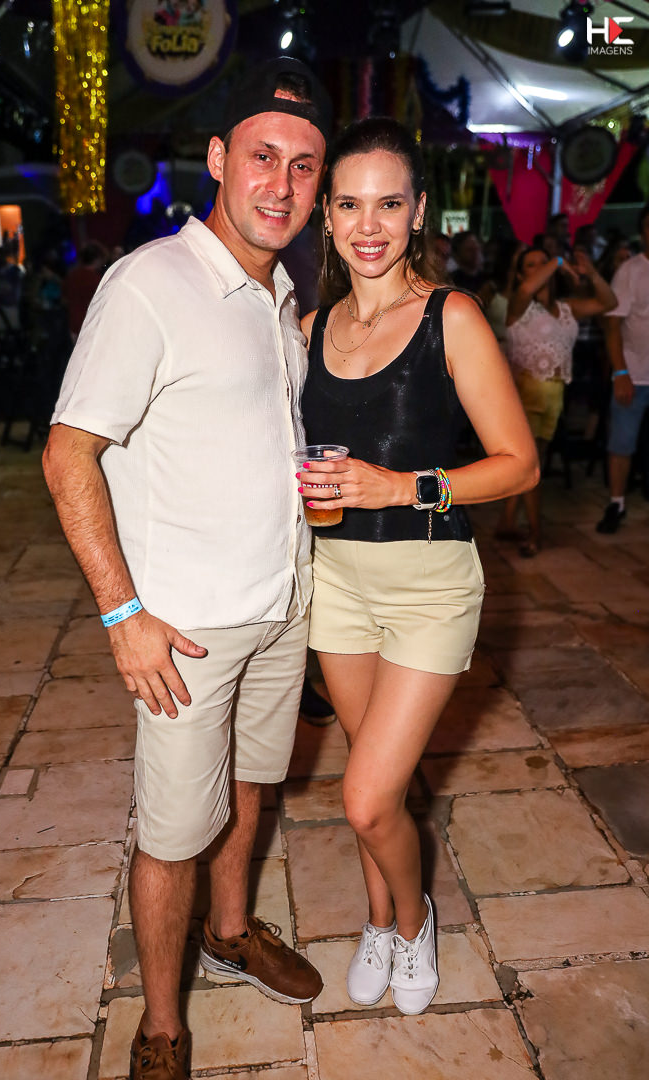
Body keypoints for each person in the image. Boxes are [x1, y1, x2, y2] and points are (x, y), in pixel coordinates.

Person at [42, 58, 331, 1080]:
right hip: (186, 629)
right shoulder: (151, 284)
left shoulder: (280, 290)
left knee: (252, 787)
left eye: (305, 166)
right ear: (217, 158)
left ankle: (232, 930)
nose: (282, 185)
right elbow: (67, 454)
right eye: (263, 156)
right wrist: (123, 614)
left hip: (279, 604)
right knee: (172, 834)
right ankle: (161, 1025)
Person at [295, 117, 539, 1016]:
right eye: (350, 204)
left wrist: (403, 486)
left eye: (389, 204)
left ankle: (414, 922)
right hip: (335, 584)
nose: (369, 225)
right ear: (326, 215)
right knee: (378, 777)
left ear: (419, 211)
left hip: (431, 586)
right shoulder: (308, 330)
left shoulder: (451, 317)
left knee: (364, 799)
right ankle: (376, 919)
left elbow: (519, 465)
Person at [495, 247, 616, 555]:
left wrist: (591, 273)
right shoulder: (519, 306)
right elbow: (526, 289)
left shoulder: (566, 308)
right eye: (531, 265)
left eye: (543, 263)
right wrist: (558, 261)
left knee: (531, 462)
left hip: (556, 394)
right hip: (526, 391)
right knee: (531, 466)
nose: (539, 269)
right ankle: (535, 534)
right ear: (521, 274)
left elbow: (608, 303)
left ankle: (507, 520)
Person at [596, 204, 649, 533]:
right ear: (642, 231)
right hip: (635, 374)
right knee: (621, 442)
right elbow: (613, 326)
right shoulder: (630, 271)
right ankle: (616, 503)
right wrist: (620, 373)